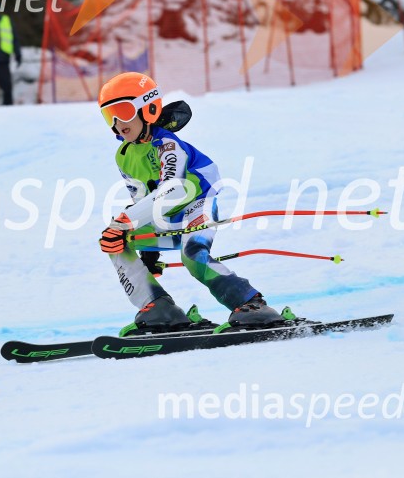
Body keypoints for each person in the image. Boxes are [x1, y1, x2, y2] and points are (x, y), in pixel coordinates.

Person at [97, 72, 286, 333]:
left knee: (193, 255)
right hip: (167, 217)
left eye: (123, 111)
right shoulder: (124, 156)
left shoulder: (168, 145)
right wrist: (147, 251)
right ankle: (157, 305)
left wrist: (128, 221)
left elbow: (173, 189)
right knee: (113, 239)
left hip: (197, 204)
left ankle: (250, 303)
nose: (118, 123)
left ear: (148, 108)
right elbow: (142, 200)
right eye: (109, 115)